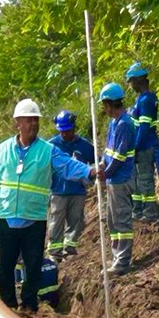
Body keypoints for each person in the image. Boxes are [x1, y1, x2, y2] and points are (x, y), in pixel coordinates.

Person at [0, 98, 99, 313]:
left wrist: (89, 171)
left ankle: (29, 306)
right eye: (28, 120)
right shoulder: (3, 150)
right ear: (17, 123)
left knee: (32, 267)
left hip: (34, 219)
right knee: (5, 266)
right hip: (6, 218)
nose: (33, 125)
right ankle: (8, 305)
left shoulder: (47, 150)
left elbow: (68, 166)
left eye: (36, 121)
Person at [46, 110, 95, 261]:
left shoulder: (85, 146)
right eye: (62, 131)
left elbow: (95, 163)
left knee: (76, 220)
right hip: (58, 190)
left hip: (77, 190)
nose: (65, 134)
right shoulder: (51, 146)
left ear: (74, 128)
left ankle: (70, 248)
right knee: (56, 221)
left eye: (68, 131)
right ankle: (55, 251)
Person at [99, 83, 136, 275]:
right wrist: (101, 165)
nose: (103, 109)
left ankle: (123, 262)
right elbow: (109, 152)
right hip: (114, 180)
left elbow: (120, 156)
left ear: (109, 103)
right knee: (113, 222)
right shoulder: (113, 124)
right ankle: (116, 258)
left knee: (122, 222)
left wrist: (107, 172)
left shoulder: (125, 124)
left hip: (122, 179)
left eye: (104, 104)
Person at [125, 62, 159, 222]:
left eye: (132, 80)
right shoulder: (141, 99)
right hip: (139, 147)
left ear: (139, 79)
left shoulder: (147, 99)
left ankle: (150, 214)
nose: (131, 84)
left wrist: (136, 147)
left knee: (145, 180)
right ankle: (138, 212)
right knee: (137, 182)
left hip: (144, 147)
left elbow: (145, 127)